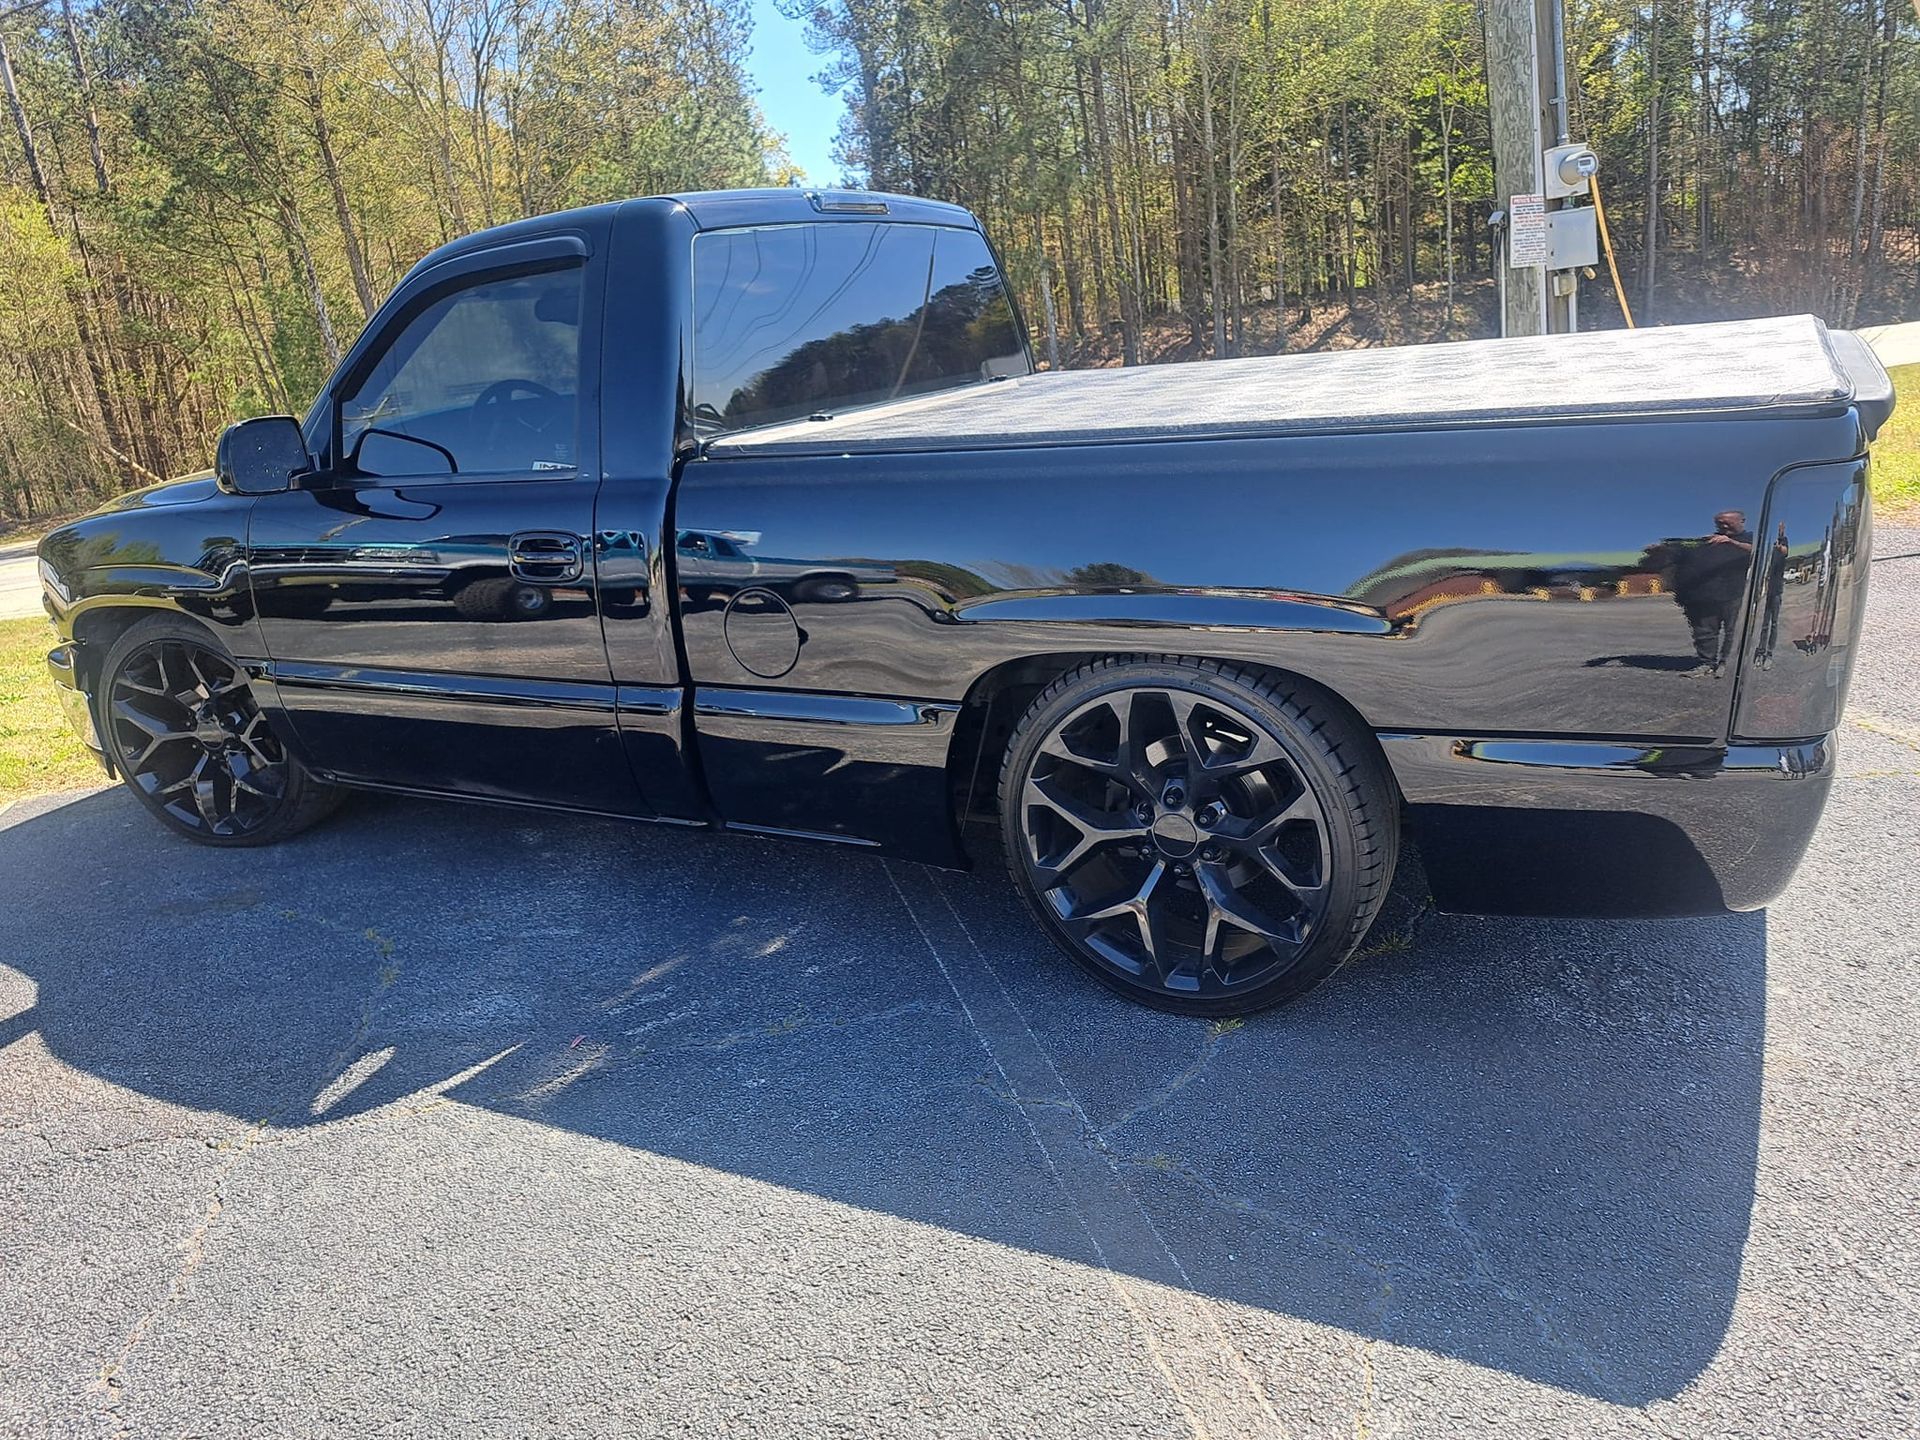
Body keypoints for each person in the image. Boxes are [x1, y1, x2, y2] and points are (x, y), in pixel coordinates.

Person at [1670, 510, 1753, 676]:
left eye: (1727, 522)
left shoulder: (1749, 538)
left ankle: (1726, 663)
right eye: (1719, 522)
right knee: (1704, 632)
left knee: (1733, 631)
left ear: (1742, 521)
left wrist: (1730, 542)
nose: (1722, 525)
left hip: (1733, 594)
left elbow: (1758, 552)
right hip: (1705, 595)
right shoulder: (1710, 539)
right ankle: (1706, 663)